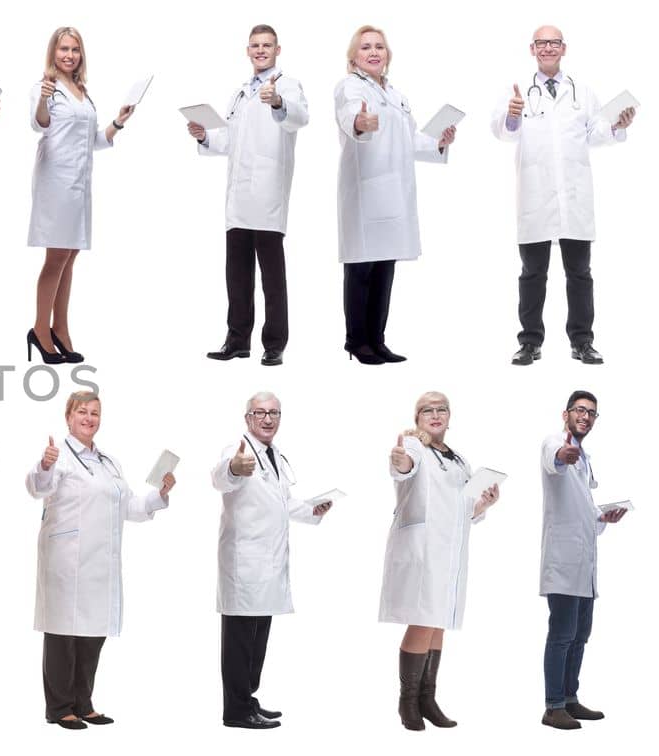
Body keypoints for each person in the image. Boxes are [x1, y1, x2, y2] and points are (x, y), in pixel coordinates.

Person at [27, 391, 174, 730]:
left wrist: (161, 493)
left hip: (100, 562)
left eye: (95, 413)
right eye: (82, 412)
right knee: (63, 634)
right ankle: (59, 707)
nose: (89, 418)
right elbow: (37, 487)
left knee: (92, 633)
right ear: (68, 416)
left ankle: (83, 702)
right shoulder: (58, 455)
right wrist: (45, 465)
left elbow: (130, 507)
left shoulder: (108, 461)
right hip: (66, 560)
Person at [491, 27, 636, 366]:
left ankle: (582, 341)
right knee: (532, 273)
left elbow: (596, 134)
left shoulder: (581, 92)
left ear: (564, 48)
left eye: (554, 42)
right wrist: (512, 114)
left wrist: (618, 124)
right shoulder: (518, 90)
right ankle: (529, 343)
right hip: (535, 197)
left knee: (580, 273)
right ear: (532, 49)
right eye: (541, 43)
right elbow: (503, 133)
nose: (548, 48)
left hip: (573, 196)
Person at [209, 392, 331, 729]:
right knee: (239, 642)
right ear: (247, 417)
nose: (268, 419)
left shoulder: (272, 455)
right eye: (260, 413)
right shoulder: (238, 451)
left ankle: (248, 700)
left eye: (274, 413)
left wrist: (312, 510)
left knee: (257, 640)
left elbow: (283, 503)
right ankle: (235, 711)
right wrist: (234, 467)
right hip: (244, 564)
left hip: (268, 564)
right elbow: (220, 477)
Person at [188, 25, 309, 367]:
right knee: (237, 274)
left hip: (268, 193)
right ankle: (237, 340)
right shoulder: (240, 93)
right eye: (255, 45)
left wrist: (279, 102)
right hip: (238, 197)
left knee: (272, 277)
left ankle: (274, 344)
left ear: (277, 49)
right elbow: (230, 141)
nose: (260, 50)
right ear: (247, 51)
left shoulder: (287, 85)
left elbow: (300, 117)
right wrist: (203, 136)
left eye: (266, 45)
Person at [335, 26, 455, 365]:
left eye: (379, 47)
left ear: (387, 54)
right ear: (353, 56)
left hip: (394, 194)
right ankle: (356, 342)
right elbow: (349, 118)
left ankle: (378, 340)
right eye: (366, 48)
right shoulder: (349, 88)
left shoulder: (395, 94)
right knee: (361, 270)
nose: (374, 52)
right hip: (365, 192)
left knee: (385, 269)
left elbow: (410, 140)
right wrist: (360, 122)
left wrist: (439, 141)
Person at [379, 391, 499, 731]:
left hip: (450, 551)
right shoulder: (414, 447)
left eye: (441, 409)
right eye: (426, 410)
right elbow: (402, 467)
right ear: (417, 418)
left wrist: (483, 505)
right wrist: (399, 462)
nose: (435, 414)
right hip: (423, 549)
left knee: (438, 621)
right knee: (423, 618)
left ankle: (428, 698)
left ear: (450, 416)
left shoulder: (459, 459)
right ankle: (408, 702)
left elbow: (462, 509)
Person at [27, 27, 133, 365]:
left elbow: (93, 142)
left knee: (70, 257)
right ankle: (40, 330)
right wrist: (44, 98)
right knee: (56, 257)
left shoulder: (83, 92)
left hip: (79, 185)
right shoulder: (46, 88)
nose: (69, 55)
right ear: (53, 53)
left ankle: (61, 327)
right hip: (56, 183)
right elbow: (39, 124)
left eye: (74, 50)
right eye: (63, 49)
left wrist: (117, 122)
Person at [538, 391, 625, 729]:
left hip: (584, 566)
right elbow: (554, 459)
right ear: (566, 414)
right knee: (561, 634)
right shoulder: (554, 442)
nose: (586, 417)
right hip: (563, 563)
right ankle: (552, 706)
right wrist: (563, 454)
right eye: (580, 410)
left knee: (580, 635)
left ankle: (570, 699)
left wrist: (603, 517)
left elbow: (581, 508)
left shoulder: (586, 457)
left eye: (592, 413)